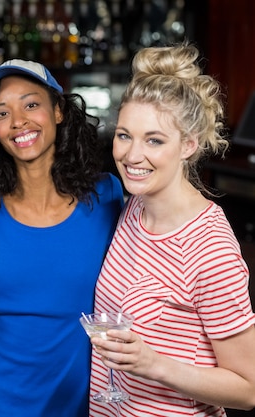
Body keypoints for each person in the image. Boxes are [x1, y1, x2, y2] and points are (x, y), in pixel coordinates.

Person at [89, 43, 255, 416]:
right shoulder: (133, 209)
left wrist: (154, 364)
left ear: (188, 145)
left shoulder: (209, 247)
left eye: (155, 140)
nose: (132, 155)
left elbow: (249, 388)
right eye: (124, 135)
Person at [0, 59, 124, 416]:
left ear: (58, 111)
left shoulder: (107, 196)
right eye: (3, 114)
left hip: (82, 405)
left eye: (31, 104)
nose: (18, 121)